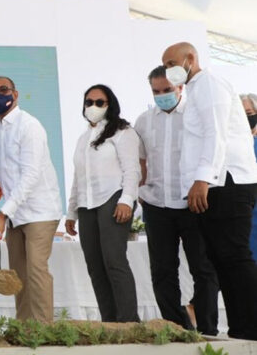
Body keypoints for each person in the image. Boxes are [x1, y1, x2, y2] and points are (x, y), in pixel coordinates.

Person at [162, 42, 257, 340]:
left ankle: (251, 326)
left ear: (191, 58)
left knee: (234, 257)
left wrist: (202, 179)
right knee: (220, 260)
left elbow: (216, 135)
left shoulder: (210, 85)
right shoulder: (196, 90)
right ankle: (242, 329)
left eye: (171, 63)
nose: (168, 70)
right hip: (215, 184)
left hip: (226, 182)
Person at [134, 66, 218, 334]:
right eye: (156, 91)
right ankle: (176, 329)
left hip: (192, 204)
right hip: (157, 205)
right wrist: (141, 192)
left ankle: (207, 330)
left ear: (180, 87)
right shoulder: (144, 121)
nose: (162, 95)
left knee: (203, 270)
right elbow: (141, 161)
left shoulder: (195, 116)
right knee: (162, 272)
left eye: (167, 90)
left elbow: (211, 151)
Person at [0, 76, 62, 323]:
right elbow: (7, 167)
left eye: (3, 90)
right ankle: (24, 329)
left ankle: (43, 332)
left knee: (36, 270)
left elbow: (30, 174)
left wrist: (3, 213)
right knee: (19, 274)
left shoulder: (30, 126)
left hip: (40, 210)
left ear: (15, 94)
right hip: (16, 212)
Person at [64, 84, 140, 323]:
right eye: (89, 102)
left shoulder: (122, 131)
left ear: (110, 105)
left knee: (114, 260)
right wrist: (71, 212)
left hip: (114, 199)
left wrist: (127, 200)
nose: (93, 107)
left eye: (100, 102)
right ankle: (110, 321)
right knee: (95, 265)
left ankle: (128, 321)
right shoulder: (83, 138)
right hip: (86, 205)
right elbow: (78, 177)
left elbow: (132, 170)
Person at [239, 93, 257, 263]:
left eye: (249, 113)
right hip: (241, 217)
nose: (245, 118)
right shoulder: (232, 147)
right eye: (241, 113)